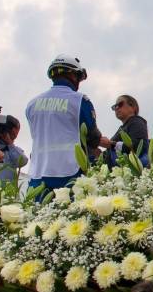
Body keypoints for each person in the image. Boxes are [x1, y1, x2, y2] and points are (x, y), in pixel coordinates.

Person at [25, 54, 101, 197]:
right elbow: (93, 138)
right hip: (70, 173)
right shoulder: (79, 101)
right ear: (74, 75)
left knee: (38, 218)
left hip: (38, 175)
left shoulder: (32, 104)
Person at [100, 94, 150, 166]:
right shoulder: (123, 128)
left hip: (134, 172)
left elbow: (139, 145)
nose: (116, 108)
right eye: (114, 107)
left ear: (133, 107)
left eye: (120, 104)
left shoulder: (137, 121)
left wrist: (111, 144)